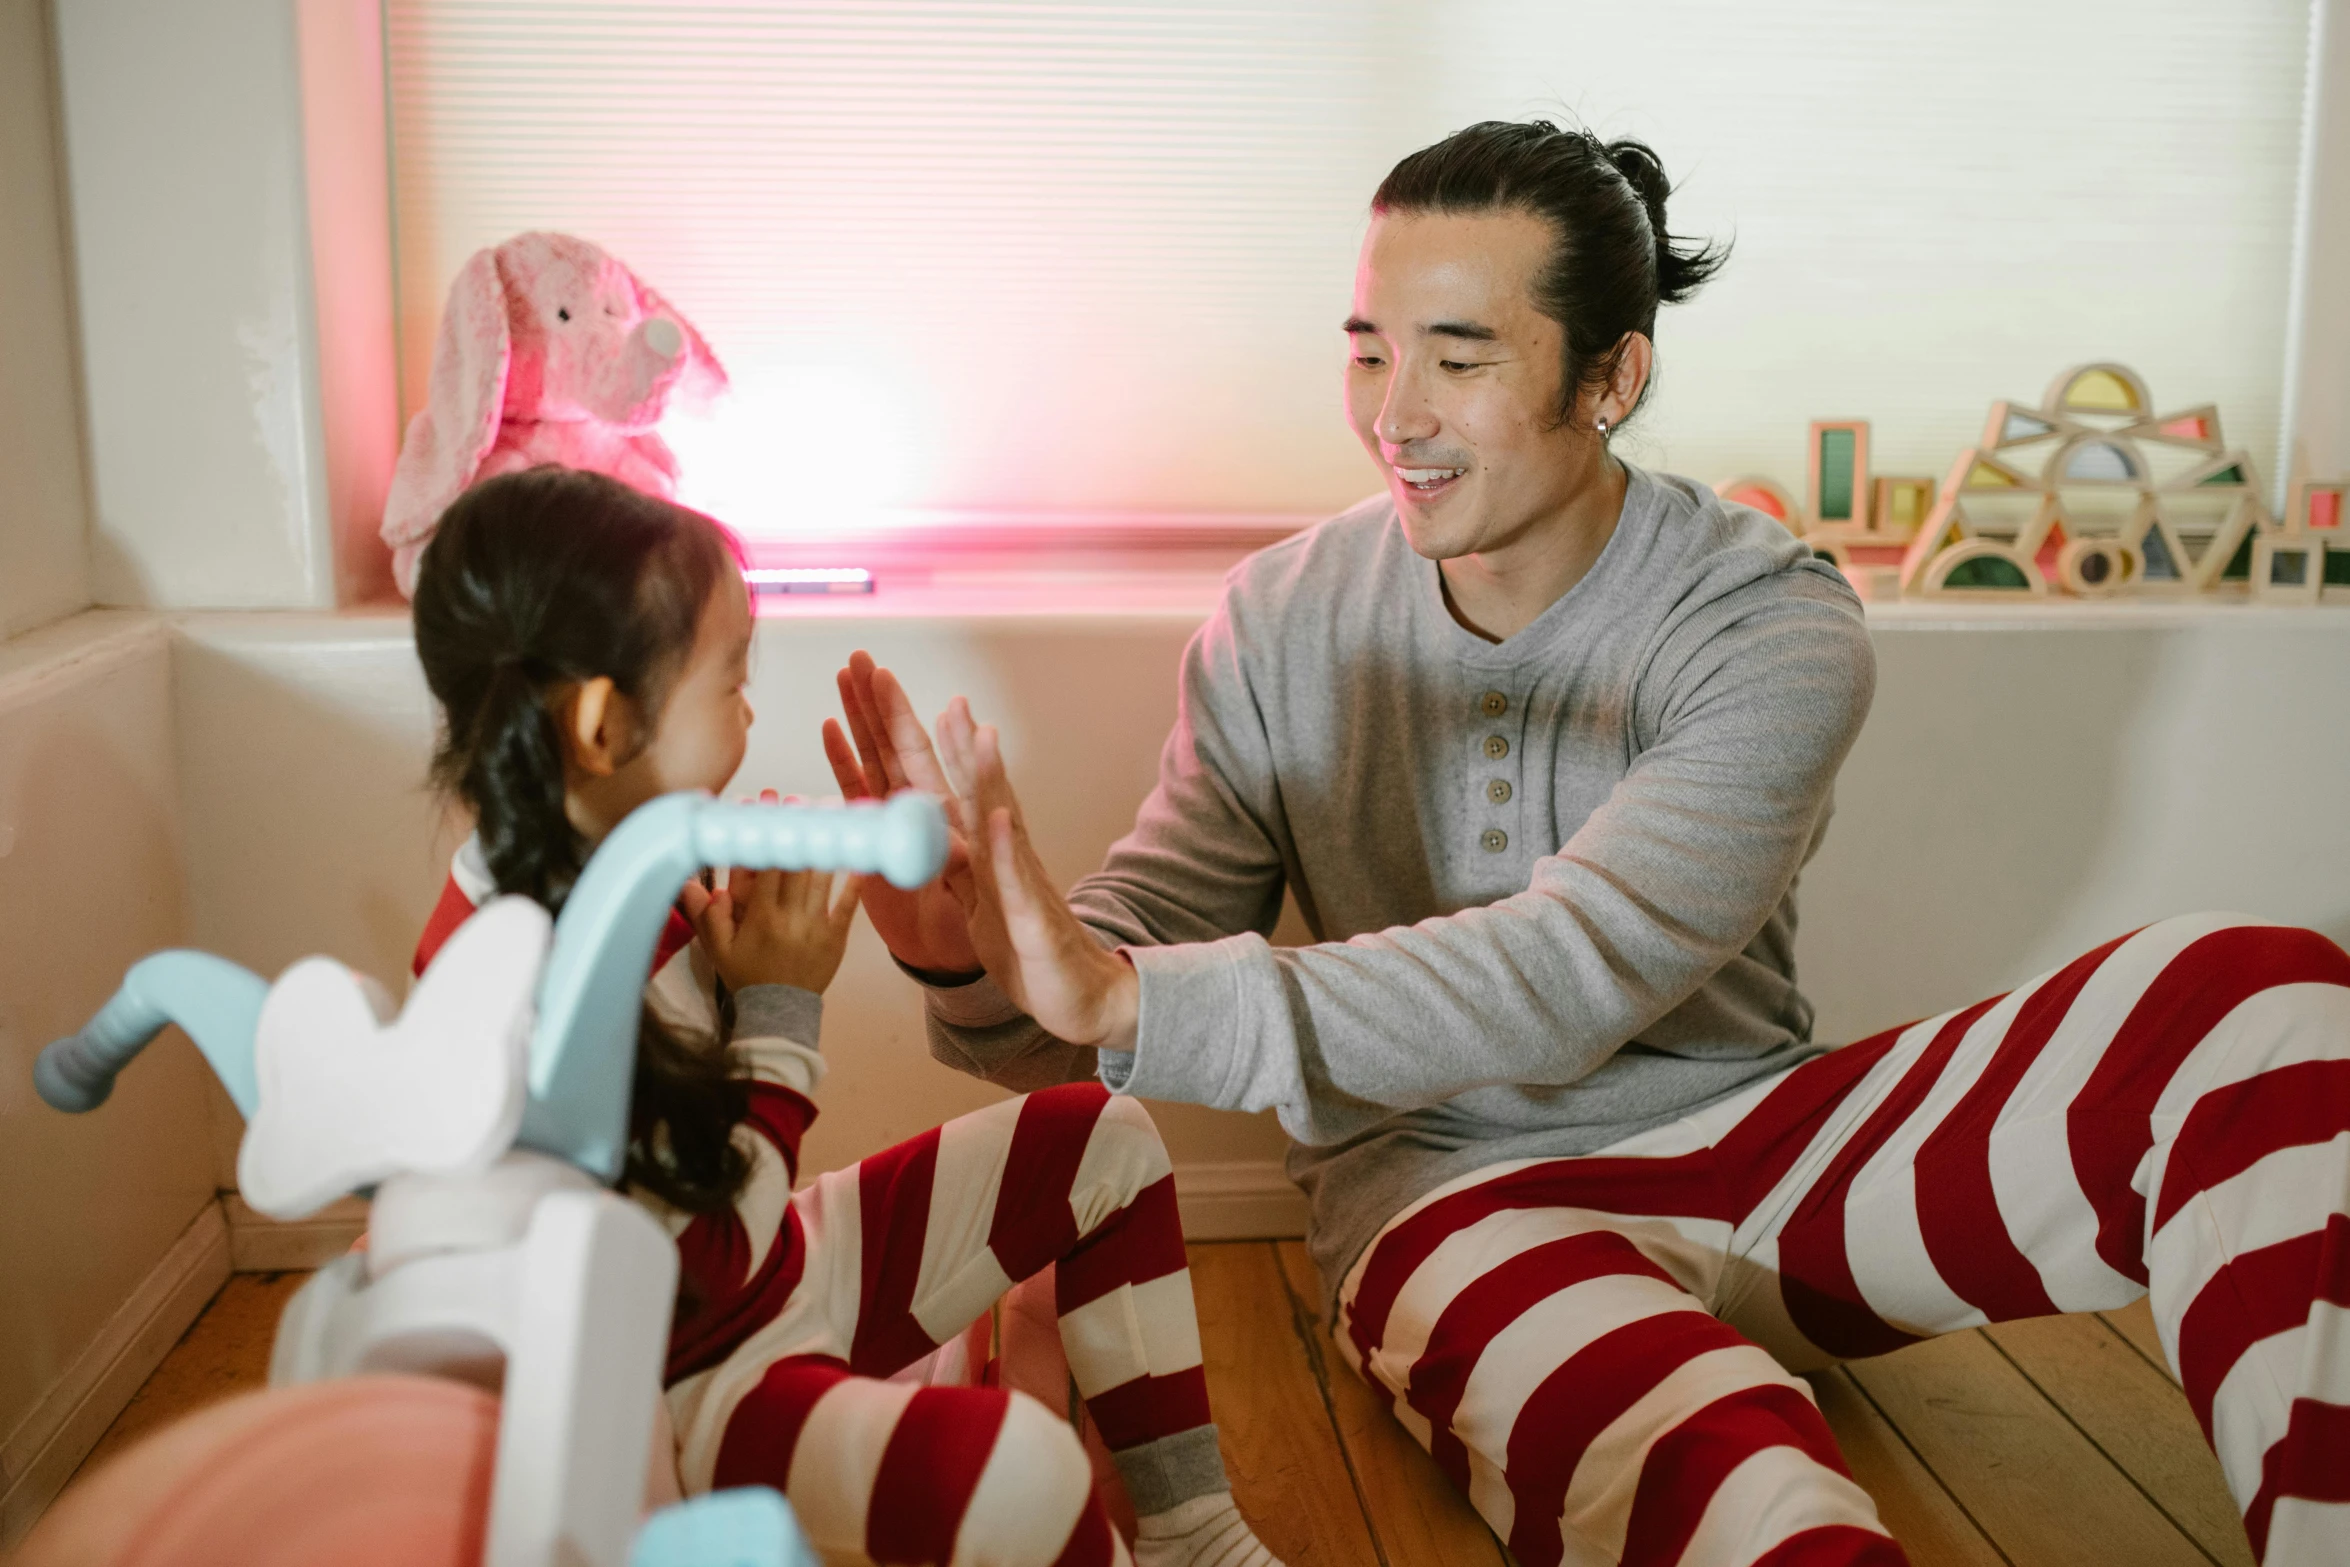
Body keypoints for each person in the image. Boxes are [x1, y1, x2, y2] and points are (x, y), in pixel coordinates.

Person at [825, 121, 2350, 1567]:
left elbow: (1571, 968)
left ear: (1611, 373)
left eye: (1457, 355)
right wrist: (967, 956)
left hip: (1758, 1147)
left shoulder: (1768, 620)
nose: (1391, 412)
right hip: (1450, 1198)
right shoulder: (1276, 620)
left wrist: (1122, 997)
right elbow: (1111, 978)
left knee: (2268, 998)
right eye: (1368, 347)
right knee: (1755, 1502)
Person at [406, 466, 1286, 1567]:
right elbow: (702, 1264)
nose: (751, 713)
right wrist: (781, 1006)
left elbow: (712, 1160)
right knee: (1016, 1476)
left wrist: (735, 967)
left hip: (771, 1269)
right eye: (729, 685)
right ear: (601, 724)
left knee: (1105, 1135)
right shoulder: (518, 977)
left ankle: (1190, 1528)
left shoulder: (619, 864)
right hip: (688, 1387)